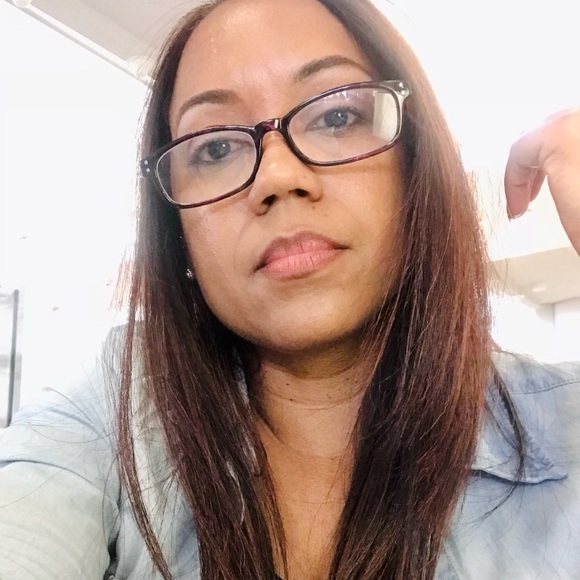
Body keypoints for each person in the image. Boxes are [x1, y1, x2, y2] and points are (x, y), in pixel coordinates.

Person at [1, 0, 579, 578]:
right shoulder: (114, 412)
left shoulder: (565, 425)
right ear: (178, 233)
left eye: (337, 116)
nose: (278, 176)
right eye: (215, 148)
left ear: (416, 162)